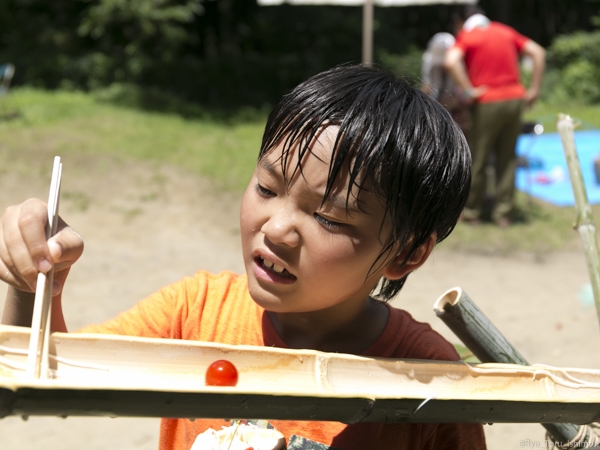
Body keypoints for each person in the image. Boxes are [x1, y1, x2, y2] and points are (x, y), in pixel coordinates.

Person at [0, 64, 487, 450]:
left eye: (330, 218)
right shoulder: (195, 313)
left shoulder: (428, 378)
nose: (275, 229)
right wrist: (31, 283)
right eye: (266, 187)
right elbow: (49, 378)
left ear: (405, 254)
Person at [444, 5, 546, 227]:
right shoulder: (505, 31)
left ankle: (473, 212)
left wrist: (469, 90)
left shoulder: (468, 35)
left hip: (487, 101)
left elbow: (450, 61)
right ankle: (503, 214)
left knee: (479, 157)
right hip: (515, 99)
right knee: (507, 157)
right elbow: (538, 52)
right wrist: (535, 89)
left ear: (462, 21)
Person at [421, 32, 470, 137]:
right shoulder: (429, 63)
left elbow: (463, 93)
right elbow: (427, 87)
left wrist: (452, 102)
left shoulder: (460, 65)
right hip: (435, 105)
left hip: (454, 107)